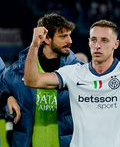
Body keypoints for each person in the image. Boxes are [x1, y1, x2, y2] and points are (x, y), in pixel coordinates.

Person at [24, 20, 120, 147]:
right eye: (94, 39)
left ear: (116, 44)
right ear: (88, 42)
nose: (97, 45)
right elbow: (32, 80)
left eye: (104, 40)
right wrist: (34, 45)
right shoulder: (73, 73)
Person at [0, 13, 83, 147]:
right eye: (63, 36)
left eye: (69, 35)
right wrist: (7, 98)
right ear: (47, 39)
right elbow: (1, 86)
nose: (70, 40)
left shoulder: (79, 72)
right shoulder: (18, 70)